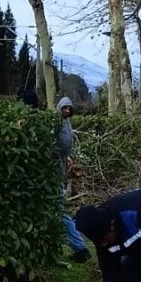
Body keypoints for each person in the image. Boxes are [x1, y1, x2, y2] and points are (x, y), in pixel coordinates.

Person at [56, 96, 89, 264]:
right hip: (57, 170)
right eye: (65, 108)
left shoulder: (65, 124)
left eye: (69, 109)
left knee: (58, 210)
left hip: (56, 172)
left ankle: (80, 247)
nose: (67, 111)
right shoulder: (58, 123)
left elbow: (64, 146)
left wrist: (66, 158)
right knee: (58, 210)